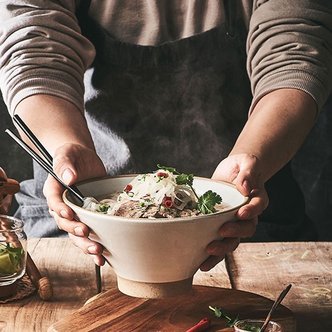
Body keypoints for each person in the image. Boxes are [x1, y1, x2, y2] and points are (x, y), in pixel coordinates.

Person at [0, 1, 331, 270]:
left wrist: (251, 160)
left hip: (241, 213)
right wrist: (66, 147)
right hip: (82, 215)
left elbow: (295, 55)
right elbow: (34, 49)